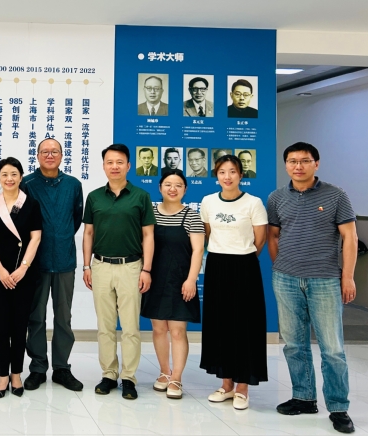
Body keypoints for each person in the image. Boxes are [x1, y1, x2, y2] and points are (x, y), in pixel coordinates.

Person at [268, 142, 358, 434]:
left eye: (305, 161)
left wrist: (347, 277)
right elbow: (273, 236)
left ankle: (338, 407)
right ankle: (304, 397)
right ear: (286, 165)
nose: (298, 166)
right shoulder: (276, 197)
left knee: (332, 348)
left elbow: (350, 237)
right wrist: (281, 267)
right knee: (294, 344)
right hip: (286, 279)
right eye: (292, 161)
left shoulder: (335, 195)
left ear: (316, 164)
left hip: (325, 280)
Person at [82, 144, 155, 400]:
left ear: (128, 166)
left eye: (120, 162)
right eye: (110, 162)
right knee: (105, 326)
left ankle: (129, 377)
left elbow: (148, 235)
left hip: (131, 267)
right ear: (104, 166)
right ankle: (109, 374)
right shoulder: (94, 197)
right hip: (101, 266)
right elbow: (88, 232)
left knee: (131, 327)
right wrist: (87, 265)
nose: (115, 166)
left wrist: (146, 269)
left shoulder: (141, 196)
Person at [200, 154, 268, 410]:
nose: (227, 177)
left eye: (232, 171)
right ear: (216, 176)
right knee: (220, 324)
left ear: (241, 175)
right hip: (217, 266)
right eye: (222, 172)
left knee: (245, 326)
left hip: (244, 267)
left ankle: (242, 387)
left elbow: (260, 239)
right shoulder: (208, 201)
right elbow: (206, 235)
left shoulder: (253, 203)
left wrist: (242, 257)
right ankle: (226, 384)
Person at [22, 139, 84, 392]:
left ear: (61, 155)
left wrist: (61, 236)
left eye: (54, 151)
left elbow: (76, 219)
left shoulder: (73, 185)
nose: (50, 155)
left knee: (64, 317)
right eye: (45, 151)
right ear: (37, 155)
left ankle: (61, 368)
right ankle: (37, 367)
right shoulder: (27, 183)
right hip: (35, 262)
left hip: (64, 260)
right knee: (35, 316)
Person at [0, 157, 43, 399]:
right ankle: (2, 376)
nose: (9, 178)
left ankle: (16, 374)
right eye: (5, 174)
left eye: (14, 174)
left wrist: (23, 268)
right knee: (0, 327)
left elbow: (35, 237)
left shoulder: (31, 204)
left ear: (21, 177)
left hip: (23, 275)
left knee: (19, 326)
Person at [139, 169, 204, 400]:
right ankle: (164, 372)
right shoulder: (150, 214)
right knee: (158, 329)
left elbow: (198, 250)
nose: (172, 189)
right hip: (155, 279)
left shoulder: (191, 216)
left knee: (177, 331)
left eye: (178, 185)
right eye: (168, 184)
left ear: (185, 189)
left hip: (180, 281)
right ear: (160, 188)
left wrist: (191, 279)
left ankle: (176, 377)